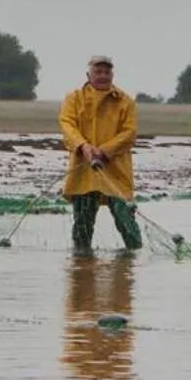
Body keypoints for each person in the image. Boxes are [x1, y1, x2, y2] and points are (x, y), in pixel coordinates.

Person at [58, 54, 143, 252]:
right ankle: (81, 267)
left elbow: (129, 133)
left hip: (116, 171)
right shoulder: (73, 99)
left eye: (107, 72)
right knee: (82, 225)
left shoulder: (125, 101)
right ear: (88, 74)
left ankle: (133, 262)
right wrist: (84, 147)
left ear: (112, 74)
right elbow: (67, 125)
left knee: (126, 221)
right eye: (98, 71)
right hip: (84, 172)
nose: (103, 75)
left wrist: (104, 151)